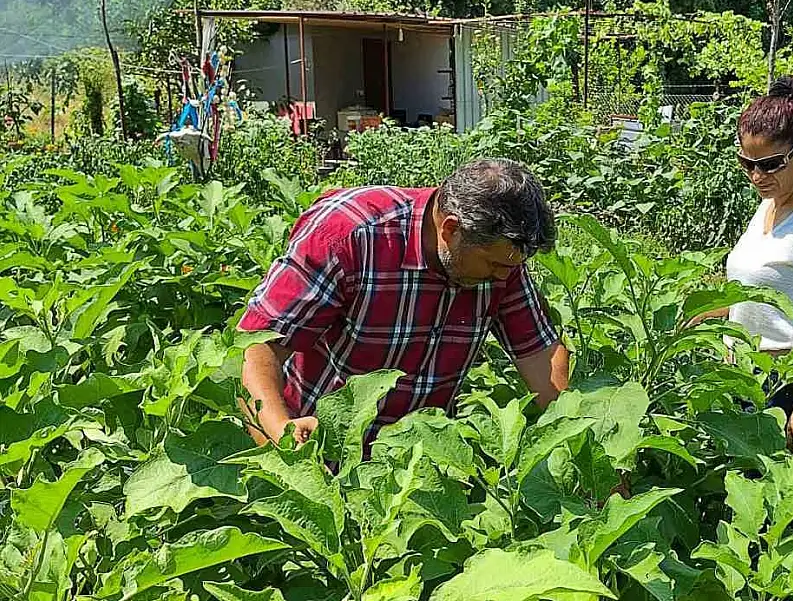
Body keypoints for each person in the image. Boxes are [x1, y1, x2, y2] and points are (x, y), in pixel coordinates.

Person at [238, 158, 570, 451]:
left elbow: (540, 354)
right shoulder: (349, 235)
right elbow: (258, 347)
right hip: (322, 445)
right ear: (450, 230)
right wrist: (281, 432)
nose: (505, 277)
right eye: (494, 265)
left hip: (418, 462)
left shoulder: (500, 260)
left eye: (512, 266)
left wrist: (581, 446)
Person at [694, 75, 793, 454]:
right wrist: (695, 316)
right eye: (746, 163)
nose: (756, 176)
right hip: (744, 377)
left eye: (769, 164)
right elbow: (752, 294)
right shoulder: (767, 207)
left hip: (788, 385)